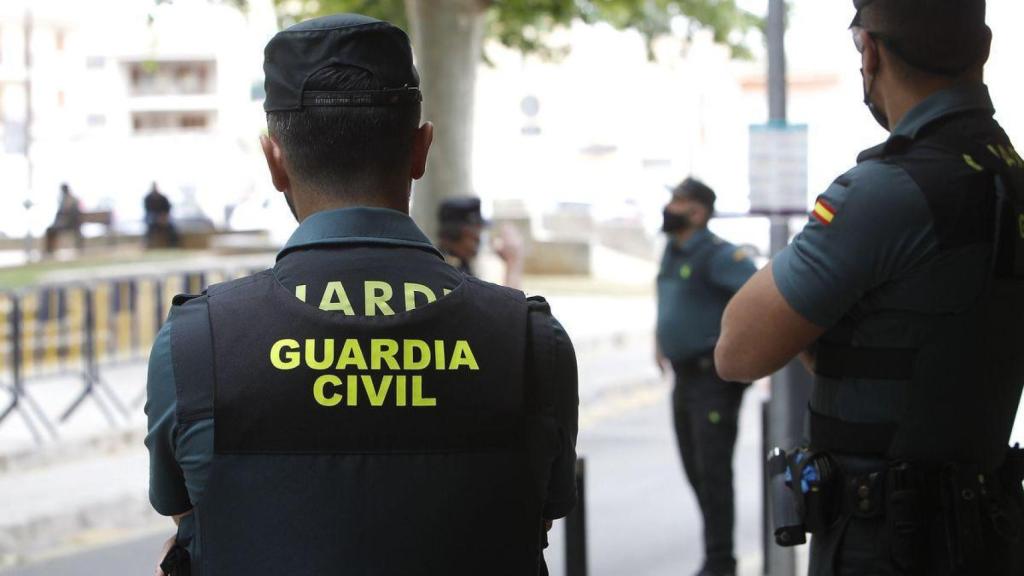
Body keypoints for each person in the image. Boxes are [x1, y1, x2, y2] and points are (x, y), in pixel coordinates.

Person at [145, 14, 579, 576]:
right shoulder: (529, 341)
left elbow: (185, 514)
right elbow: (538, 517)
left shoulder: (196, 344)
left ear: (274, 161)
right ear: (421, 149)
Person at [716, 1, 1024, 574]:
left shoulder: (887, 191)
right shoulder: (1008, 179)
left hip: (886, 542)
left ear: (870, 51)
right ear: (982, 47)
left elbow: (737, 350)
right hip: (989, 531)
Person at [655, 177, 756, 576]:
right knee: (695, 468)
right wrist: (660, 338)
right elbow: (667, 296)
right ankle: (718, 557)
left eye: (678, 201)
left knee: (713, 473)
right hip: (683, 378)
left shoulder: (718, 255)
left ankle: (720, 563)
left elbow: (756, 295)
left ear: (698, 211)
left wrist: (734, 348)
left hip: (711, 380)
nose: (670, 208)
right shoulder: (673, 250)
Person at [438, 196, 524, 287]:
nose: (479, 238)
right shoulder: (451, 274)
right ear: (463, 233)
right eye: (476, 232)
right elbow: (506, 301)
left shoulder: (455, 263)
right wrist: (513, 263)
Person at [44, 183, 83, 254]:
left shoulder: (67, 200)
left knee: (50, 230)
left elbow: (62, 214)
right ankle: (50, 250)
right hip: (75, 224)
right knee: (50, 229)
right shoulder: (73, 199)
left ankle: (49, 251)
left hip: (69, 224)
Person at [144, 182, 179, 248]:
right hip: (152, 219)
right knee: (149, 228)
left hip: (164, 219)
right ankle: (147, 245)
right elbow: (147, 211)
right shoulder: (147, 198)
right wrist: (157, 218)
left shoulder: (163, 198)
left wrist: (163, 218)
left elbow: (168, 209)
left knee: (172, 229)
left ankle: (174, 245)